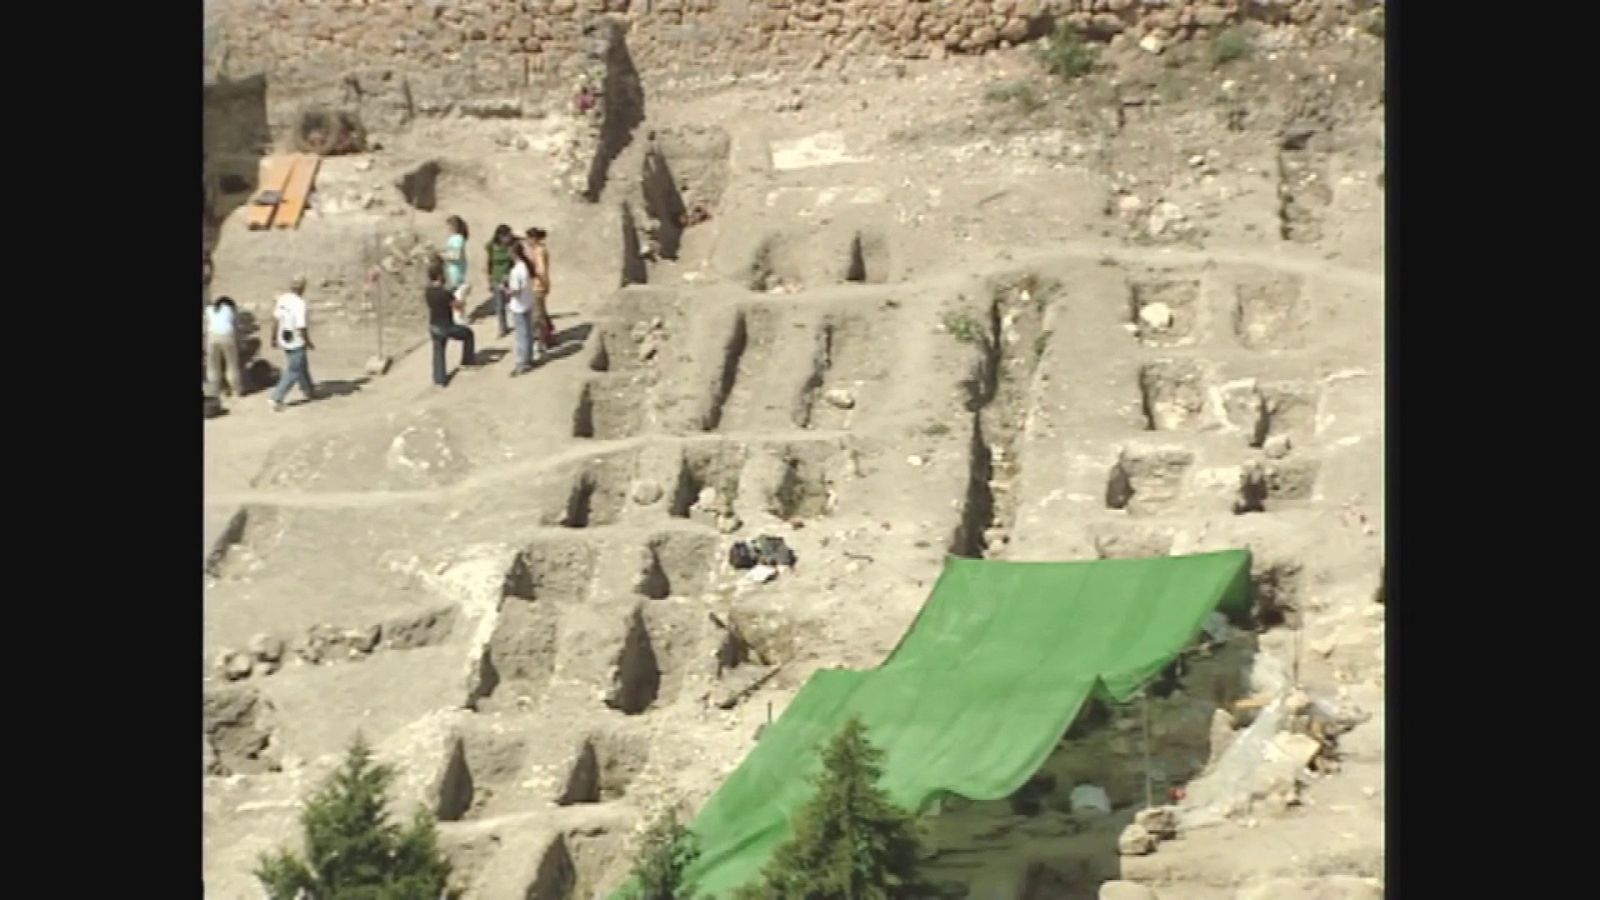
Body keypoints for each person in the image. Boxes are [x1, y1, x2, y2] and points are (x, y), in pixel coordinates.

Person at [425, 262, 476, 387]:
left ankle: (439, 379)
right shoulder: (444, 292)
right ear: (439, 276)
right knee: (468, 334)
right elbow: (457, 306)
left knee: (438, 351)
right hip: (446, 326)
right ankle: (467, 361)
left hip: (433, 325)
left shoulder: (428, 291)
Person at [269, 276, 316, 411]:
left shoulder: (283, 299)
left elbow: (275, 319)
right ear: (303, 288)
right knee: (294, 370)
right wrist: (308, 341)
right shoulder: (300, 304)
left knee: (301, 364)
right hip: (296, 339)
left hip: (284, 337)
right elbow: (301, 326)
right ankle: (276, 398)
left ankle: (308, 390)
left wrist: (273, 337)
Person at [506, 239, 540, 377]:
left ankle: (522, 363)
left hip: (519, 305)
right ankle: (529, 359)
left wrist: (506, 290)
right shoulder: (526, 266)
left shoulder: (515, 271)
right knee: (528, 333)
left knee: (521, 336)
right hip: (528, 302)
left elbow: (515, 291)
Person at [206, 295, 245, 400]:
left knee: (213, 367)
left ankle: (215, 391)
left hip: (212, 337)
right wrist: (239, 342)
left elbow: (206, 326)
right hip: (227, 336)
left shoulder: (209, 309)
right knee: (232, 365)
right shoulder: (231, 310)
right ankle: (236, 391)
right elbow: (236, 328)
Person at [524, 226, 554, 348]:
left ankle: (543, 340)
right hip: (537, 284)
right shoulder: (536, 249)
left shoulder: (540, 251)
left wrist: (542, 282)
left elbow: (541, 270)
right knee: (541, 313)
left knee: (538, 315)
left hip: (537, 285)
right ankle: (549, 336)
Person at [485, 224, 515, 338]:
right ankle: (502, 327)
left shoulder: (512, 245)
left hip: (510, 276)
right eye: (506, 236)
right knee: (499, 303)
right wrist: (488, 278)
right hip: (496, 277)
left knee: (514, 302)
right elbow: (488, 262)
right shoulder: (491, 246)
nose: (508, 238)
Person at [442, 215, 470, 326]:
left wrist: (443, 256)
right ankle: (458, 317)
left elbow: (457, 255)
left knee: (456, 295)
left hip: (455, 270)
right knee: (455, 295)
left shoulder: (458, 239)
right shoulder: (453, 238)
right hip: (452, 269)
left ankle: (459, 318)